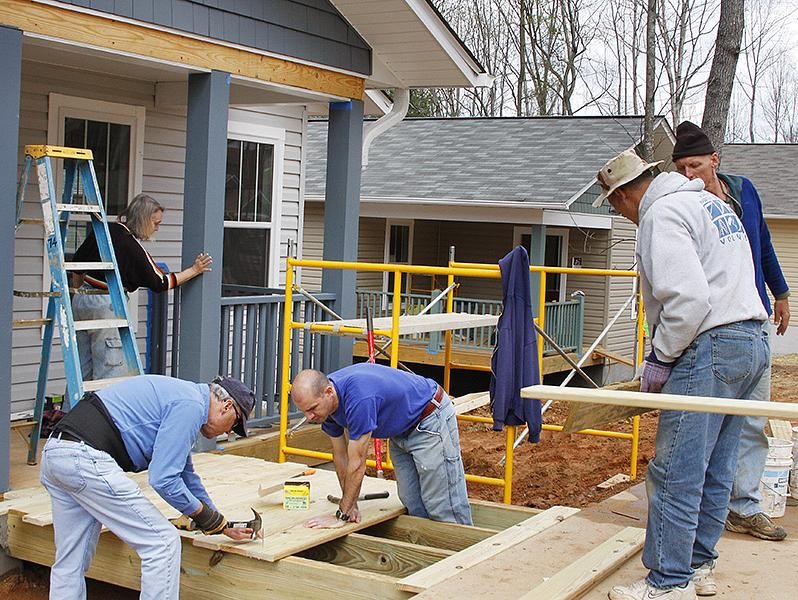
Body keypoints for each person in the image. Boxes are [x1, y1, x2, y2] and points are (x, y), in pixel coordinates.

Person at [591, 149, 769, 600]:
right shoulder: (708, 202)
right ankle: (698, 566)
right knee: (717, 464)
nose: (624, 216)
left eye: (617, 208)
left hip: (709, 345)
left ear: (623, 198)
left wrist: (662, 357)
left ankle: (668, 582)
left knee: (675, 470)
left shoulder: (661, 215)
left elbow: (688, 300)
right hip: (752, 341)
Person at [672, 121, 790, 543]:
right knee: (705, 427)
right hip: (711, 330)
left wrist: (780, 292)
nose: (690, 175)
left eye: (696, 166)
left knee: (752, 419)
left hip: (752, 320)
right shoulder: (686, 205)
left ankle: (744, 506)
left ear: (714, 161)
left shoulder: (743, 192)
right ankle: (704, 508)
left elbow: (763, 244)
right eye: (682, 167)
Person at [40, 375, 256, 600]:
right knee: (163, 544)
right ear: (227, 406)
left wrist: (219, 523)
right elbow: (163, 479)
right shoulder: (191, 406)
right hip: (85, 457)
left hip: (57, 452)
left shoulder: (185, 397)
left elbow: (185, 473)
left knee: (71, 562)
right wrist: (201, 513)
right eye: (235, 424)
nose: (230, 433)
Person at [290, 362, 473, 528]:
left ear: (329, 392)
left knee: (442, 503)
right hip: (400, 429)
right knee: (412, 500)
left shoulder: (359, 398)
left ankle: (464, 555)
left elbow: (357, 463)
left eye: (312, 409)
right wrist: (351, 504)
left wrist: (342, 515)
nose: (310, 417)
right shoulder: (326, 407)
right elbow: (340, 457)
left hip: (429, 418)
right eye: (305, 411)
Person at [71, 193, 213, 380]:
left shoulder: (105, 230)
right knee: (109, 368)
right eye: (155, 223)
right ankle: (104, 410)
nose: (157, 228)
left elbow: (77, 263)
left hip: (81, 301)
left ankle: (72, 409)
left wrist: (79, 292)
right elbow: (160, 282)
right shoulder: (130, 245)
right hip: (106, 303)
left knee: (82, 367)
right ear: (143, 219)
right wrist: (194, 270)